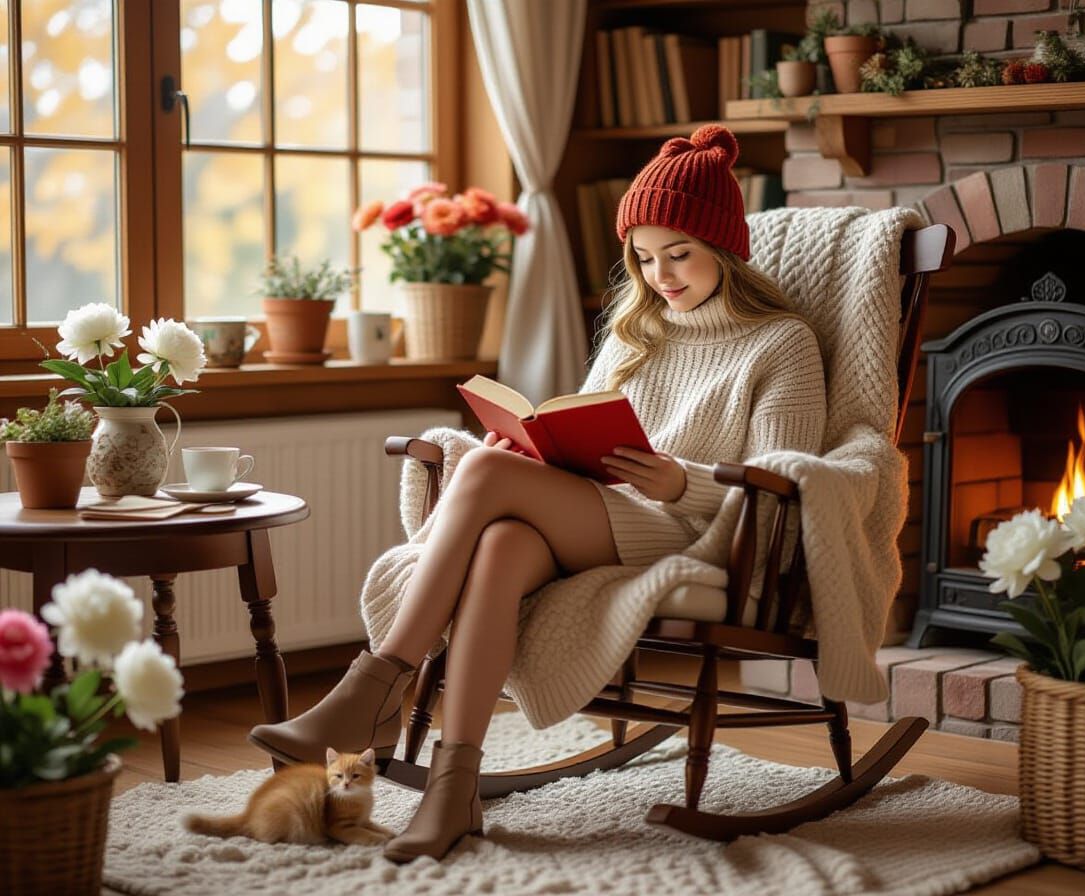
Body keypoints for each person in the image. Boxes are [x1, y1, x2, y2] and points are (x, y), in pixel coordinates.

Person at [249, 124, 827, 863]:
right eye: (644, 259)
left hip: (689, 529)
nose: (661, 277)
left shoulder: (781, 343)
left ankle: (372, 688)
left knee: (485, 480)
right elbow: (577, 433)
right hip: (597, 512)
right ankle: (453, 791)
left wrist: (686, 482)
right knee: (500, 540)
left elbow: (786, 490)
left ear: (725, 248)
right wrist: (526, 448)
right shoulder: (632, 334)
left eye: (678, 255)